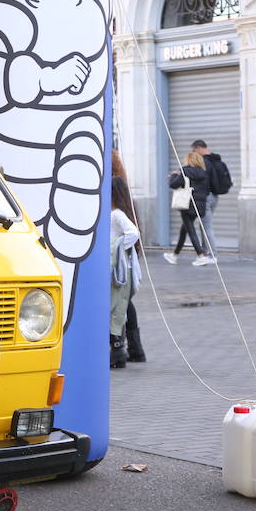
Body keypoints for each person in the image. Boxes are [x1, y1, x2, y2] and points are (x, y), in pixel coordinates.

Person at [111, 151, 146, 362]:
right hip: (127, 256)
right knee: (124, 301)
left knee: (119, 302)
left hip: (119, 258)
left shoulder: (114, 198)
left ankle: (120, 348)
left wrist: (117, 247)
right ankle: (133, 348)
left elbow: (131, 232)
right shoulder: (123, 193)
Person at [164, 150, 213, 266]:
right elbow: (207, 190)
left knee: (190, 230)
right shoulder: (204, 173)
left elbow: (173, 184)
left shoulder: (185, 171)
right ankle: (174, 255)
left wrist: (173, 176)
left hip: (187, 204)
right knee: (184, 229)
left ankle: (201, 255)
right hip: (200, 206)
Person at [191, 139, 232, 254]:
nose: (194, 153)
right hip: (214, 197)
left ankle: (212, 254)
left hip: (205, 197)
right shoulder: (217, 160)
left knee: (206, 226)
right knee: (204, 224)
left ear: (199, 148)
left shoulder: (204, 162)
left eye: (194, 150)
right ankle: (205, 251)